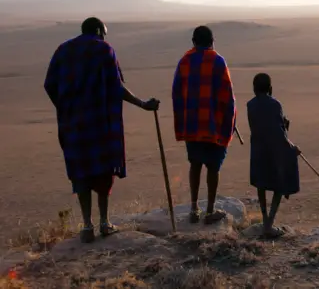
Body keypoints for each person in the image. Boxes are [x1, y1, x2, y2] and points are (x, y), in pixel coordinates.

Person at [44, 17, 160, 243]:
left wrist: (65, 108)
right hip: (99, 122)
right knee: (103, 171)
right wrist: (144, 104)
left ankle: (87, 226)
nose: (104, 37)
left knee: (81, 170)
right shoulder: (103, 49)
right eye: (104, 33)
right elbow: (117, 87)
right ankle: (104, 223)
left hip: (73, 125)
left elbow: (49, 84)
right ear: (98, 30)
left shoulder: (63, 50)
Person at [172, 26, 236, 225]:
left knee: (195, 164)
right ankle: (209, 211)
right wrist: (230, 120)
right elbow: (227, 94)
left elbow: (176, 93)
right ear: (212, 41)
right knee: (213, 167)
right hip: (213, 124)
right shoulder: (218, 61)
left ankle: (193, 208)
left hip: (192, 125)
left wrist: (183, 118)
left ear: (193, 41)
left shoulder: (185, 61)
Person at [247, 72, 301, 239]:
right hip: (273, 151)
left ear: (254, 89)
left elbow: (258, 127)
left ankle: (265, 220)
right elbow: (278, 132)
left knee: (261, 185)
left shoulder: (250, 105)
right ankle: (269, 224)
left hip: (258, 150)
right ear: (270, 88)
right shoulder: (275, 104)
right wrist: (293, 148)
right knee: (279, 185)